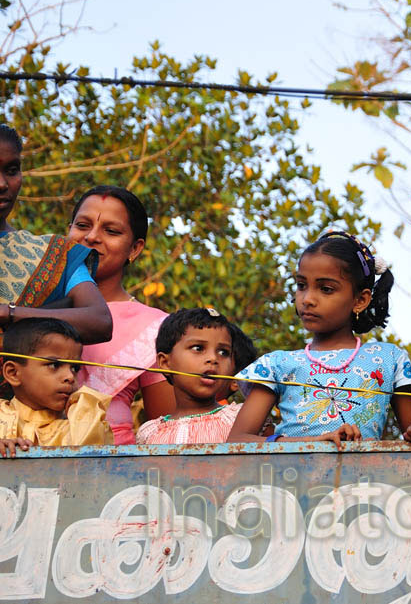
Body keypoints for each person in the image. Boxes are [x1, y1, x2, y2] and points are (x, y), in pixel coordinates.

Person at [228, 231, 411, 445]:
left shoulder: (390, 359)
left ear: (360, 300)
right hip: (289, 476)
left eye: (326, 289)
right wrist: (314, 442)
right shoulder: (276, 364)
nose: (308, 299)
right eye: (301, 285)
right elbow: (237, 441)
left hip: (364, 478)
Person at [70, 186, 175, 444]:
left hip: (111, 471)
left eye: (111, 231)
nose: (92, 237)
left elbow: (168, 430)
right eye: (82, 225)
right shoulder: (29, 302)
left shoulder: (155, 327)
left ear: (135, 249)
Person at [0, 126, 111, 343]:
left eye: (12, 170)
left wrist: (9, 314)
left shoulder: (54, 253)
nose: (2, 184)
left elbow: (100, 321)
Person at [137, 308, 256, 445]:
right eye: (198, 348)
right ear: (165, 363)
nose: (213, 358)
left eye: (223, 352)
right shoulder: (149, 433)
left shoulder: (242, 419)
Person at [0, 318, 112, 456]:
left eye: (75, 368)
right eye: (54, 365)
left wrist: (84, 405)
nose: (70, 377)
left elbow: (87, 463)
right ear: (13, 373)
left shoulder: (76, 427)